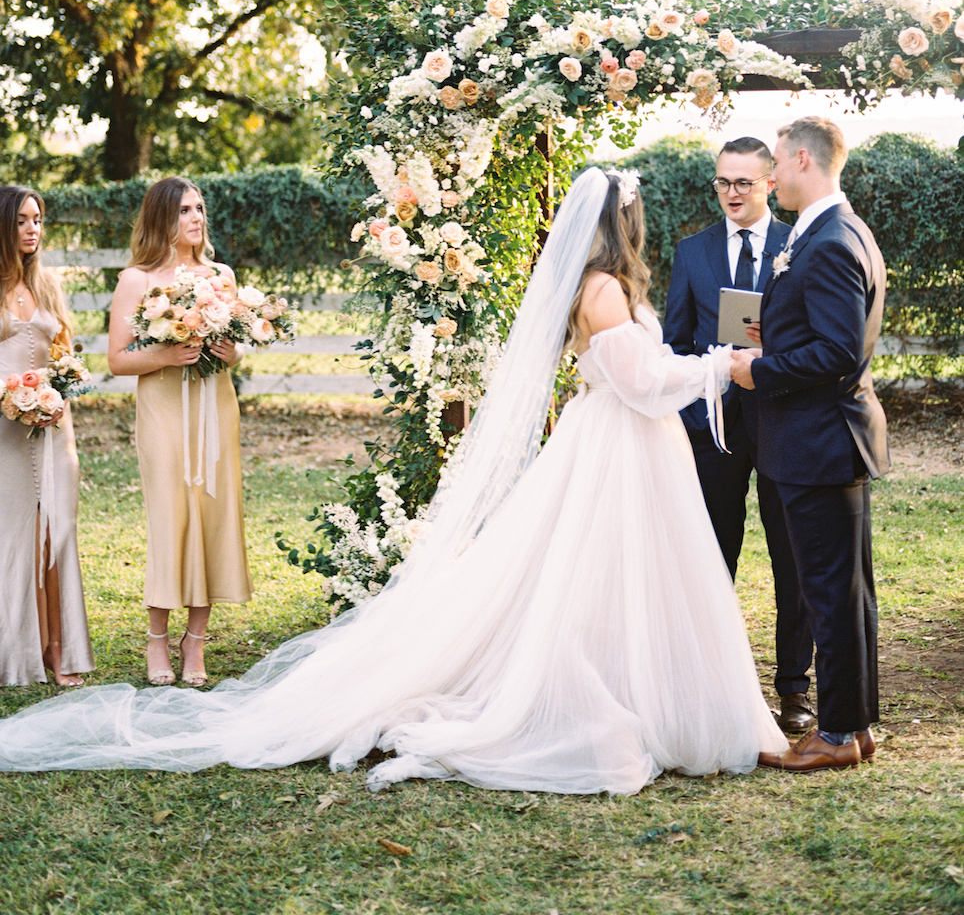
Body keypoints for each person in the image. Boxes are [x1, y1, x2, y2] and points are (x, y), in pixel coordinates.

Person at [0, 167, 787, 788]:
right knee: (587, 574)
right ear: (628, 225)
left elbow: (640, 374)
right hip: (618, 446)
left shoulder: (601, 288)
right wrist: (725, 366)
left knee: (602, 576)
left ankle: (638, 689)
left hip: (621, 447)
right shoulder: (608, 289)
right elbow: (642, 385)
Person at [731, 117, 889, 773]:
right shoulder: (837, 229)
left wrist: (758, 370)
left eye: (776, 164)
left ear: (802, 159)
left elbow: (839, 351)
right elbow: (826, 336)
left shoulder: (826, 240)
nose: (770, 177)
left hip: (818, 441)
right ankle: (855, 728)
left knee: (829, 591)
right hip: (830, 438)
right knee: (848, 591)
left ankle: (835, 736)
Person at [663, 137, 814, 734]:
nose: (731, 193)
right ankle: (710, 686)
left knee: (792, 561)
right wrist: (694, 416)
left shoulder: (799, 246)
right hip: (713, 430)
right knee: (710, 558)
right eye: (723, 182)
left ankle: (794, 691)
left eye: (744, 183)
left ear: (770, 184)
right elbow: (676, 343)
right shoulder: (692, 252)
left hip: (782, 421)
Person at [107, 177, 253, 688]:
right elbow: (118, 360)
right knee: (171, 517)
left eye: (200, 208)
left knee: (210, 513)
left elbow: (238, 349)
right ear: (162, 218)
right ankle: (155, 641)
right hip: (163, 410)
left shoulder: (222, 276)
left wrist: (227, 347)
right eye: (185, 210)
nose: (196, 217)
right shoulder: (136, 280)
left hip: (216, 405)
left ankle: (195, 644)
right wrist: (168, 353)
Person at [0, 185, 93, 688]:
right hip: (3, 432)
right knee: (12, 534)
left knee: (56, 530)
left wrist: (57, 391)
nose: (32, 228)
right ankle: (16, 648)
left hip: (54, 426)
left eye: (37, 219)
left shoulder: (50, 286)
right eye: (20, 220)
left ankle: (59, 649)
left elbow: (64, 356)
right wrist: (10, 395)